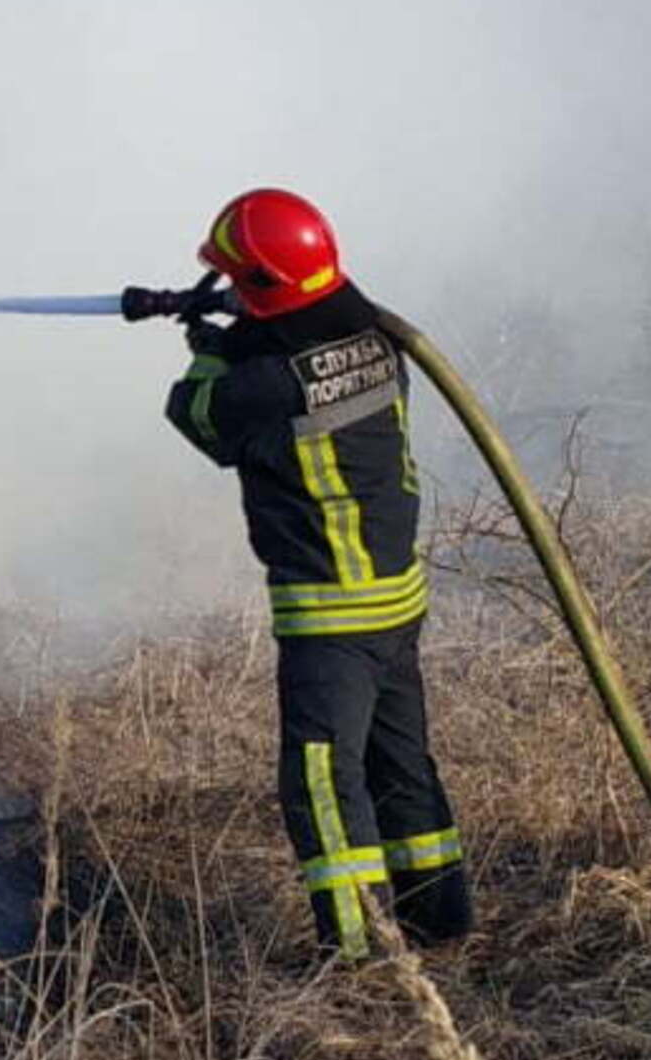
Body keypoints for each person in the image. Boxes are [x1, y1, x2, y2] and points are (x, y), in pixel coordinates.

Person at [161, 187, 472, 957]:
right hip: (396, 602)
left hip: (331, 616)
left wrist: (209, 348)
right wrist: (246, 323)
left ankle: (365, 955)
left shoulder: (263, 387)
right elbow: (305, 359)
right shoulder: (377, 338)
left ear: (264, 286)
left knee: (323, 782)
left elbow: (196, 413)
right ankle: (441, 917)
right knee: (399, 761)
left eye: (239, 279)